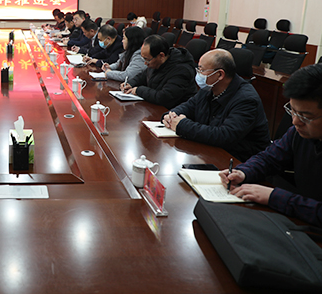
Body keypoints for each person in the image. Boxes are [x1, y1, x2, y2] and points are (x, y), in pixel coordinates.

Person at [220, 64, 322, 227]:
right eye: (293, 111)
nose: (295, 121)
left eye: (305, 116)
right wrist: (244, 172)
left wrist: (275, 197)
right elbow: (270, 158)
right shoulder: (298, 133)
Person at [162, 49, 270, 161]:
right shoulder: (208, 89)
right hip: (211, 151)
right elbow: (188, 106)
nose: (198, 74)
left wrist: (182, 125)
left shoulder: (246, 99)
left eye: (202, 70)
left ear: (219, 74)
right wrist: (170, 116)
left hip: (240, 161)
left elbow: (224, 136)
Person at [121, 34, 196, 109]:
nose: (145, 63)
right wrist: (131, 83)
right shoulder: (156, 62)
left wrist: (139, 90)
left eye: (147, 59)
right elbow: (143, 76)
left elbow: (164, 97)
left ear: (161, 56)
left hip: (173, 111)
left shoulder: (182, 70)